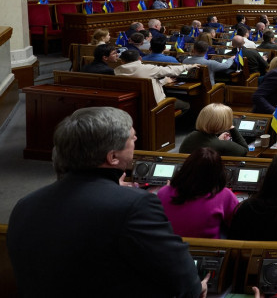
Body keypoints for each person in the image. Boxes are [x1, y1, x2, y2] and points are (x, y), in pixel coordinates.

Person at [7, 107, 207, 297]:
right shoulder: (136, 206)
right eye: (131, 138)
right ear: (112, 157)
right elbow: (184, 281)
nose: (136, 139)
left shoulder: (25, 205)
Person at [157, 147, 239, 239]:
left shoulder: (163, 192)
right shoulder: (225, 195)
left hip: (170, 249)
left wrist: (167, 188)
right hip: (208, 251)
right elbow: (238, 225)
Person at [115, 49, 197, 111]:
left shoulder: (116, 71)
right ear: (140, 58)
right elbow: (170, 70)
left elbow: (143, 85)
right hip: (156, 105)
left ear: (122, 61)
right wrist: (188, 66)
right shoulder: (147, 68)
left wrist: (164, 81)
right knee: (187, 105)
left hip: (134, 105)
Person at [179, 103, 248, 157]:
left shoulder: (191, 136)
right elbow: (244, 150)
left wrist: (217, 140)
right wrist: (232, 128)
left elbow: (207, 143)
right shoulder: (222, 145)